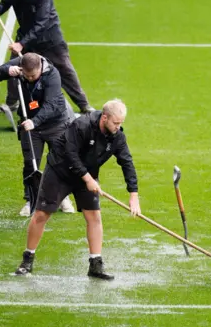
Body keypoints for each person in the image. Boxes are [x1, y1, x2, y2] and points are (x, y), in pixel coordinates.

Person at [14, 99, 140, 280]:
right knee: (42, 214)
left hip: (86, 175)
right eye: (116, 123)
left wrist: (133, 195)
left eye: (121, 123)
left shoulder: (117, 136)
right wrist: (88, 179)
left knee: (94, 216)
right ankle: (27, 260)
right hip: (60, 171)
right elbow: (71, 155)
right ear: (104, 118)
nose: (118, 127)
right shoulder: (82, 125)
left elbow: (127, 162)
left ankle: (95, 265)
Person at [0, 0, 95, 114]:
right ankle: (11, 103)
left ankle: (84, 104)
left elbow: (41, 24)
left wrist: (21, 44)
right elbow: (5, 2)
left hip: (50, 38)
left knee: (65, 70)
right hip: (26, 37)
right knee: (15, 66)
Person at [0, 52, 75, 216]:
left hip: (55, 123)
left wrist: (35, 122)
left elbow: (50, 105)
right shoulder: (19, 65)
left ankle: (62, 197)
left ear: (40, 68)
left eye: (33, 75)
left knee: (59, 162)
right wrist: (8, 70)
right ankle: (31, 200)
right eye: (26, 75)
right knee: (30, 163)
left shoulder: (52, 75)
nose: (29, 78)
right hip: (29, 125)